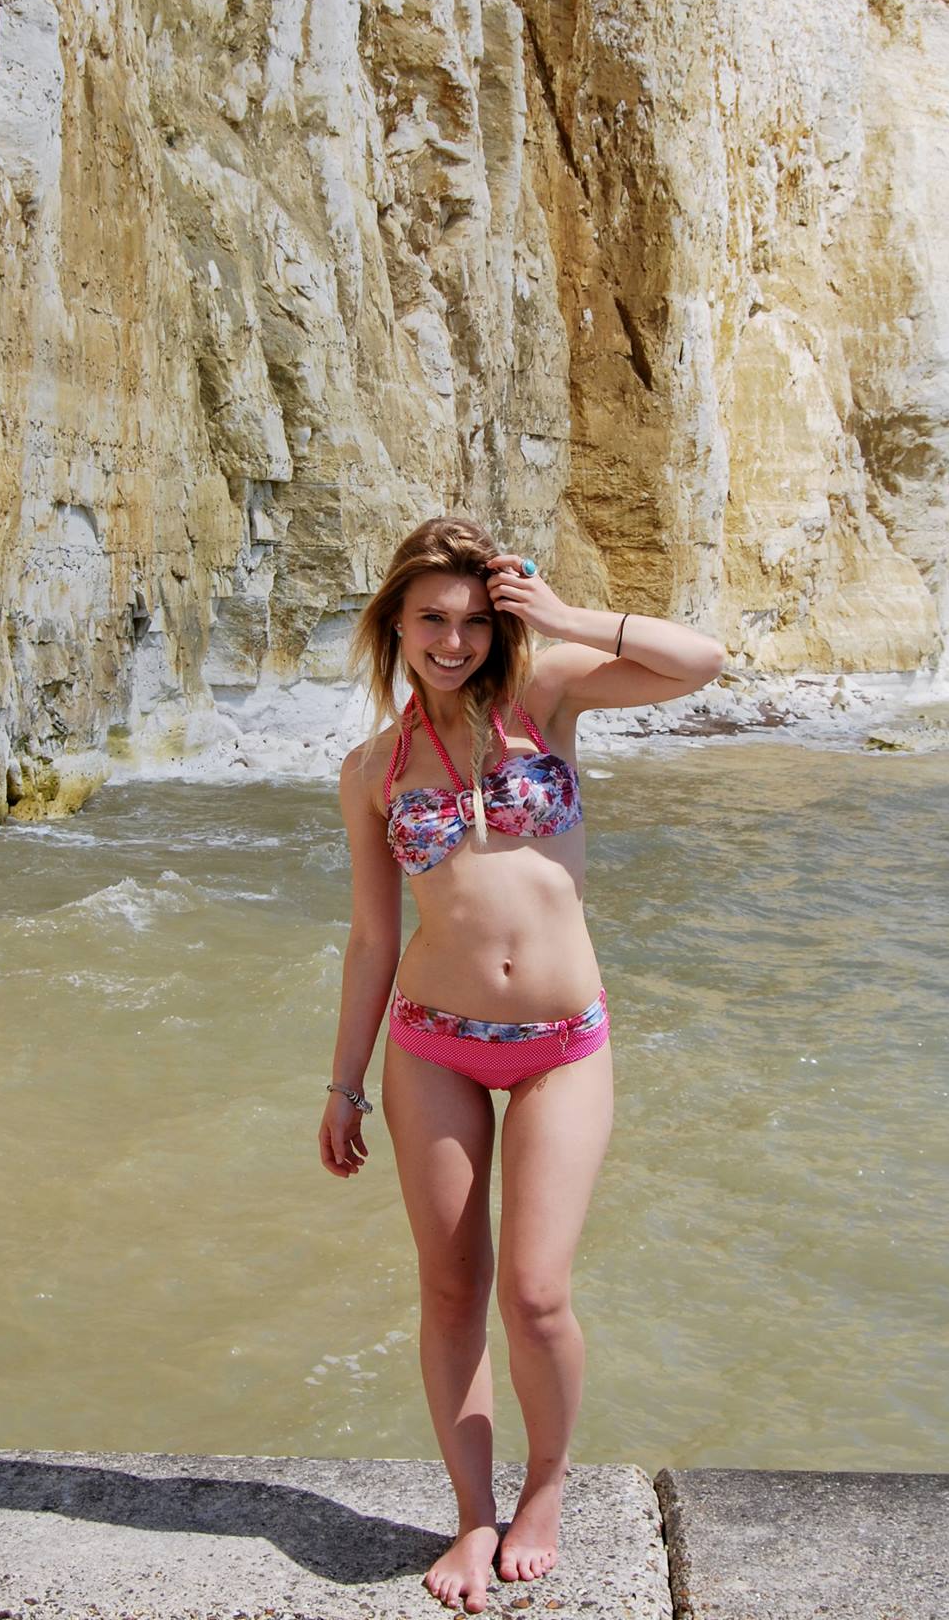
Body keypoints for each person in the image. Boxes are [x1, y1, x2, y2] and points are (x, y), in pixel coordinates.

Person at [318, 515, 725, 1612]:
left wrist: (559, 614)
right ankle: (470, 1512)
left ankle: (545, 1487)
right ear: (395, 625)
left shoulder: (545, 696)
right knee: (452, 1288)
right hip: (431, 1046)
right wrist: (343, 1084)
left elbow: (701, 661)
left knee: (537, 1294)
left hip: (560, 1047)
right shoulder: (371, 769)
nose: (453, 641)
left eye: (472, 619)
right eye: (431, 619)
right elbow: (371, 939)